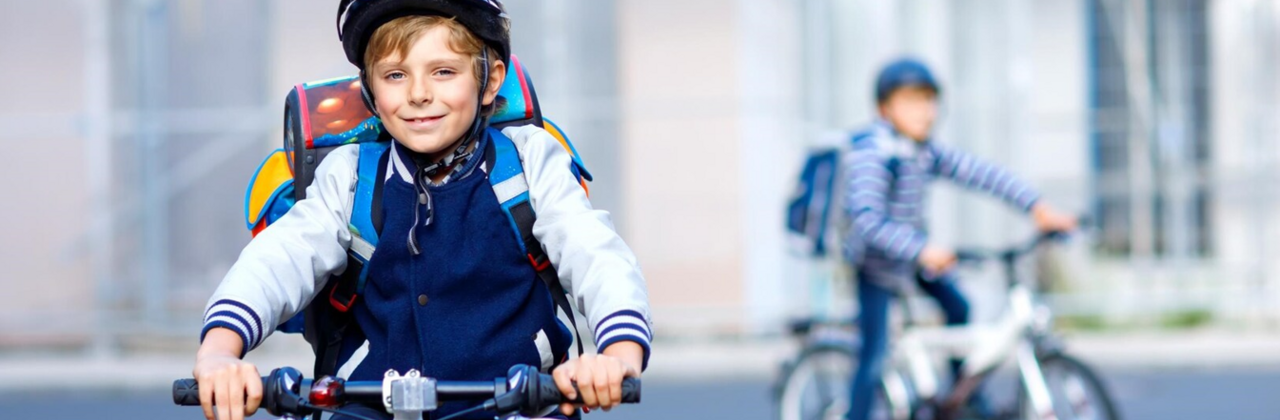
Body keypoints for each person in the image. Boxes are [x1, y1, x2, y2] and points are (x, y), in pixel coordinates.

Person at [192, 1, 652, 419]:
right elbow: (280, 259)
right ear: (370, 89)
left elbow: (593, 251)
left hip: (516, 405)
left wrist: (617, 355)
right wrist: (219, 353)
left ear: (490, 80)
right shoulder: (351, 176)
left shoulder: (529, 162)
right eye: (395, 75)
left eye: (444, 72)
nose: (418, 94)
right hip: (371, 407)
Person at [843, 57, 1076, 420]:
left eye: (928, 100)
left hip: (914, 261)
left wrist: (1037, 207)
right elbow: (866, 221)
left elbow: (982, 174)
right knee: (873, 356)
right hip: (876, 267)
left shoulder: (923, 151)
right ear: (884, 109)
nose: (924, 112)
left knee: (959, 309)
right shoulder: (872, 153)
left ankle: (961, 400)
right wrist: (922, 249)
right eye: (910, 102)